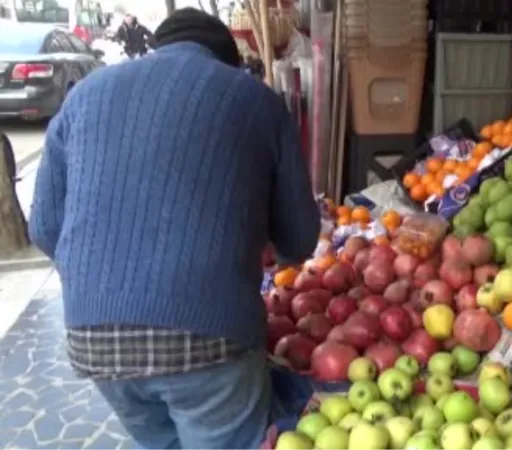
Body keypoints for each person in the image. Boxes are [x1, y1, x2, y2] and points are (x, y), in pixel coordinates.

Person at [28, 7, 319, 450]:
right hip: (209, 334)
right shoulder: (253, 97)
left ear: (156, 48)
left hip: (95, 339)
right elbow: (299, 239)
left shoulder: (84, 94)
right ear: (228, 60)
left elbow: (45, 229)